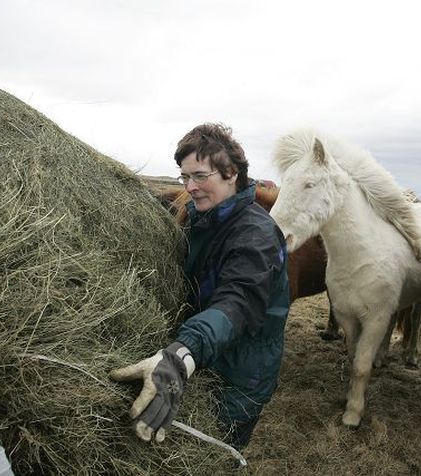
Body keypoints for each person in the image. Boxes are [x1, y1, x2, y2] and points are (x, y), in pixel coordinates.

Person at [110, 123, 290, 450]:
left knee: (214, 451)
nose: (190, 187)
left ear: (231, 173)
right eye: (184, 177)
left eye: (200, 176)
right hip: (206, 356)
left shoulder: (256, 236)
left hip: (239, 377)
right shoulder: (203, 218)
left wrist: (180, 356)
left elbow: (236, 304)